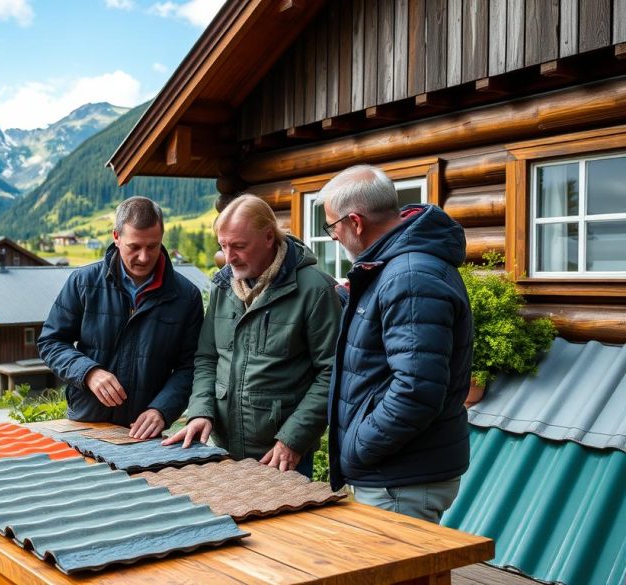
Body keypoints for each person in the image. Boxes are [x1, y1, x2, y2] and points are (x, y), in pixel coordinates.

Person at [316, 164, 472, 523]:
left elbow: (416, 390)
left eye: (333, 226)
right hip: (396, 473)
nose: (334, 237)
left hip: (401, 479)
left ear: (355, 222)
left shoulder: (410, 276)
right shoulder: (394, 269)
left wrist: (356, 447)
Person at [163, 194, 340, 477]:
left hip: (281, 456)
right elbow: (208, 358)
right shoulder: (223, 286)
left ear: (269, 237)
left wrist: (292, 439)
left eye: (239, 246)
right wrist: (200, 411)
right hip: (220, 450)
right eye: (223, 246)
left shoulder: (314, 290)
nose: (229, 257)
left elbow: (332, 373)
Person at [37, 196, 204, 439]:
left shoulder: (186, 296)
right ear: (116, 237)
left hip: (145, 432)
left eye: (153, 246)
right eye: (134, 247)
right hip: (85, 424)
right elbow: (50, 342)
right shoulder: (83, 282)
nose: (144, 257)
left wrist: (162, 409)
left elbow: (191, 366)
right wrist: (89, 373)